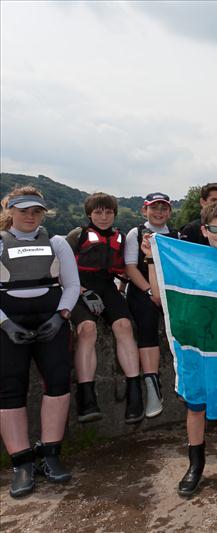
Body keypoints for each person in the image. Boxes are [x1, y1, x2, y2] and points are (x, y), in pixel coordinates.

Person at [141, 202, 217, 496]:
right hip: (194, 349)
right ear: (204, 230)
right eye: (215, 228)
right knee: (196, 407)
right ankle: (195, 465)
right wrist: (151, 259)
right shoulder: (187, 260)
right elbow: (161, 297)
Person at [1, 187, 80, 498]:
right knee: (10, 389)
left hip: (51, 320)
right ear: (11, 211)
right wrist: (5, 324)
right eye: (23, 211)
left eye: (36, 211)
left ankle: (50, 454)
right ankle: (21, 463)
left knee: (59, 382)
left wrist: (61, 316)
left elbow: (72, 285)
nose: (30, 216)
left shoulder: (57, 242)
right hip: (10, 322)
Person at [65, 193, 141, 423]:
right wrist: (82, 292)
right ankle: (87, 397)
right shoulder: (77, 236)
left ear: (114, 214)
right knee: (87, 329)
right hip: (79, 287)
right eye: (98, 212)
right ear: (89, 214)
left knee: (124, 326)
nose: (104, 216)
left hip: (107, 287)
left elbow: (124, 269)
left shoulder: (121, 237)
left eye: (108, 212)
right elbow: (60, 271)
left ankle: (135, 393)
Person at [124, 192, 179, 419]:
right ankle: (152, 386)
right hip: (142, 290)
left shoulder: (176, 235)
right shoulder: (135, 233)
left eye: (163, 208)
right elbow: (130, 267)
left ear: (169, 211)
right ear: (144, 210)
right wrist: (149, 290)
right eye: (154, 208)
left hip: (167, 291)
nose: (159, 212)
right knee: (146, 326)